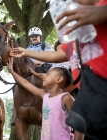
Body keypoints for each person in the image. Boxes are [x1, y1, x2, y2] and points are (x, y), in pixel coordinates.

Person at [9, 0, 107, 139]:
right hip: (90, 102)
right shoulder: (73, 44)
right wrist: (25, 52)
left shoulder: (101, 8)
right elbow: (54, 55)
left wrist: (101, 11)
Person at [7, 57, 83, 140]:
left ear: (59, 79)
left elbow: (80, 124)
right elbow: (26, 83)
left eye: (48, 74)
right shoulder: (44, 95)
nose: (43, 76)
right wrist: (12, 71)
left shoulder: (66, 98)